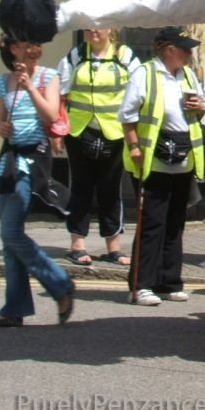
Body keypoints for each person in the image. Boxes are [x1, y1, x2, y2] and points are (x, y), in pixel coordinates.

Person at [120, 26, 205, 306]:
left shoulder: (188, 75)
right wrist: (134, 146)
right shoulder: (144, 74)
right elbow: (127, 115)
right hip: (152, 159)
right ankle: (141, 285)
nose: (189, 53)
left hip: (182, 158)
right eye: (184, 48)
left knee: (175, 223)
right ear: (169, 50)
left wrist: (199, 108)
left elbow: (199, 110)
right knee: (152, 223)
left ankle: (169, 282)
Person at [0, 35, 75, 327]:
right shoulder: (5, 81)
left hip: (34, 160)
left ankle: (60, 283)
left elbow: (51, 114)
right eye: (17, 46)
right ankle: (15, 307)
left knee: (10, 230)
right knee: (9, 236)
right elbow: (2, 119)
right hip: (10, 159)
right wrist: (2, 127)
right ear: (11, 51)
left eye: (27, 46)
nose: (24, 50)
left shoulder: (48, 76)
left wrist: (30, 86)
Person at [59, 28, 140, 267]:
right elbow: (61, 93)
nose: (93, 30)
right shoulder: (75, 56)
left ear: (111, 29)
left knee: (110, 189)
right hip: (79, 130)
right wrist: (58, 128)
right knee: (81, 188)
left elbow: (138, 93)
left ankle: (113, 248)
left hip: (115, 132)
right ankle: (77, 245)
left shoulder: (125, 56)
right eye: (89, 25)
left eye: (99, 24)